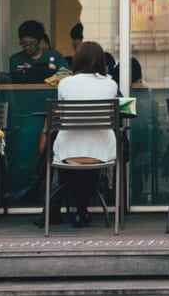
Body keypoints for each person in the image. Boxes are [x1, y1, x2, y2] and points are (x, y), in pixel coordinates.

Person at [53, 41, 119, 228]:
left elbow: (62, 114)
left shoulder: (64, 84)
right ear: (100, 60)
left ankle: (71, 210)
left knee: (75, 150)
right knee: (91, 147)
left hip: (68, 154)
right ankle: (82, 210)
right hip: (101, 154)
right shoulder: (110, 85)